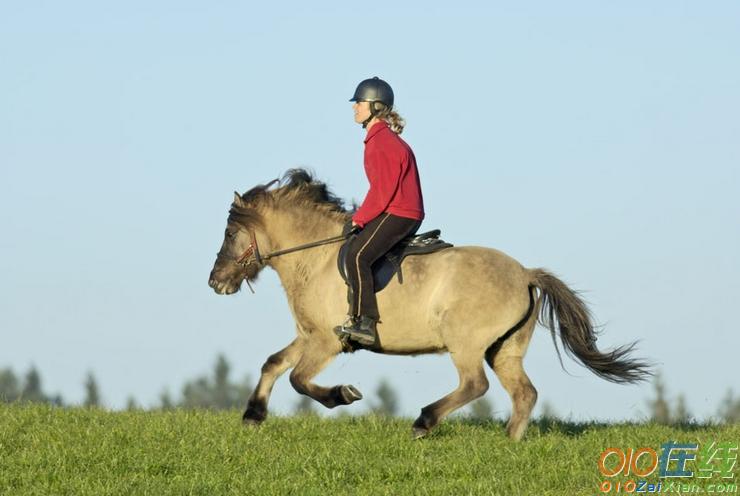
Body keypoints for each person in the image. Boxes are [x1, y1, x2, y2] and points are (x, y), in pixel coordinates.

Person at [339, 77, 425, 346]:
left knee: (357, 255)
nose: (354, 107)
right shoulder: (380, 139)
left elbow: (382, 191)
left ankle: (364, 322)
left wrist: (360, 219)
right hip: (398, 209)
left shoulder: (382, 142)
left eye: (359, 103)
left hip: (400, 211)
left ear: (376, 106)